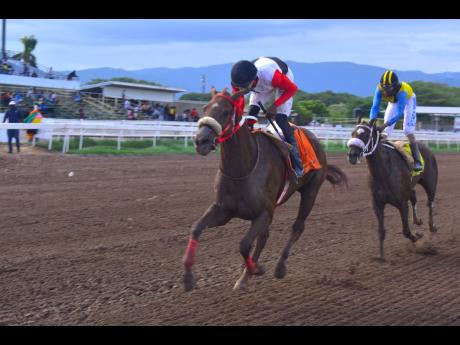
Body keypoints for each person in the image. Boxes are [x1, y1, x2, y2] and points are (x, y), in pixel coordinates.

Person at [230, 57, 303, 179]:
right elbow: (239, 103)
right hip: (258, 85)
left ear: (253, 80)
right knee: (250, 118)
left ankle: (297, 163)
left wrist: (275, 106)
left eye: (244, 87)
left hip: (282, 81)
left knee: (280, 119)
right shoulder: (238, 82)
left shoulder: (270, 75)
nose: (241, 90)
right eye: (240, 88)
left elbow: (292, 89)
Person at [369, 70, 422, 172]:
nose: (385, 91)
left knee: (408, 130)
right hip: (393, 102)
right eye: (384, 87)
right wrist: (372, 120)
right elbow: (375, 106)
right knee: (386, 132)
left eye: (388, 88)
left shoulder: (402, 92)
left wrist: (384, 124)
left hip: (408, 100)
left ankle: (417, 160)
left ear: (395, 86)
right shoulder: (379, 89)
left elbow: (399, 114)